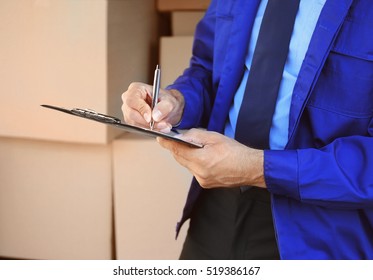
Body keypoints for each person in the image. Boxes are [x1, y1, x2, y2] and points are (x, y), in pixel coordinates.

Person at [121, 0, 373, 259]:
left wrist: (257, 168)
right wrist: (177, 101)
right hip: (216, 203)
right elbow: (208, 69)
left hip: (324, 230)